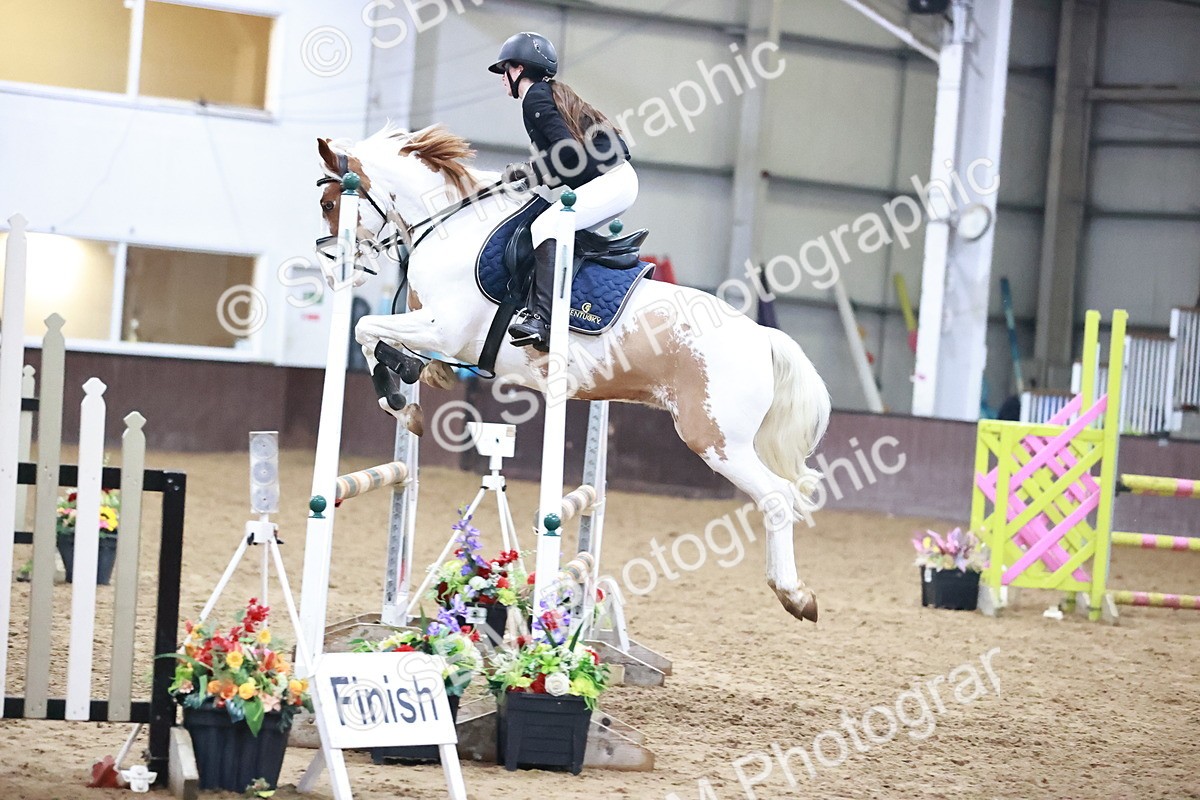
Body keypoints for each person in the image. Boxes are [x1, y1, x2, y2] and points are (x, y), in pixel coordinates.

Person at [488, 31, 637, 351]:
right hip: (613, 180)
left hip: (612, 182)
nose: (502, 78)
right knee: (550, 223)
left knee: (546, 226)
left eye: (504, 70)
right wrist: (532, 175)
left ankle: (543, 319)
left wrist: (531, 175)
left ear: (519, 69)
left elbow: (566, 152)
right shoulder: (547, 93)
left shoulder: (536, 97)